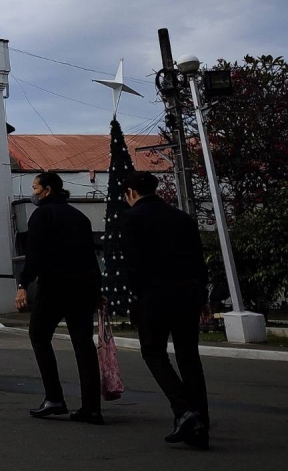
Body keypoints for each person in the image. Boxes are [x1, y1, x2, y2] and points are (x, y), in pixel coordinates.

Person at [120, 171, 211, 449]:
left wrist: (136, 294)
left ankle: (184, 410)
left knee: (153, 351)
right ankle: (200, 426)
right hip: (188, 292)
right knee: (188, 356)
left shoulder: (132, 218)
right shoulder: (182, 218)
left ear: (131, 193)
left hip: (155, 294)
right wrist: (203, 296)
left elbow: (132, 263)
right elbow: (198, 260)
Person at [16, 171, 103, 424]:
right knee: (84, 345)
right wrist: (97, 290)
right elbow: (90, 255)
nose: (33, 192)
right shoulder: (80, 217)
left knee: (39, 336)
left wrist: (23, 283)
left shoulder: (41, 215)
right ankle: (91, 407)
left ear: (47, 190)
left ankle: (54, 398)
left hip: (54, 286)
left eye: (35, 187)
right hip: (83, 287)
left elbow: (35, 254)